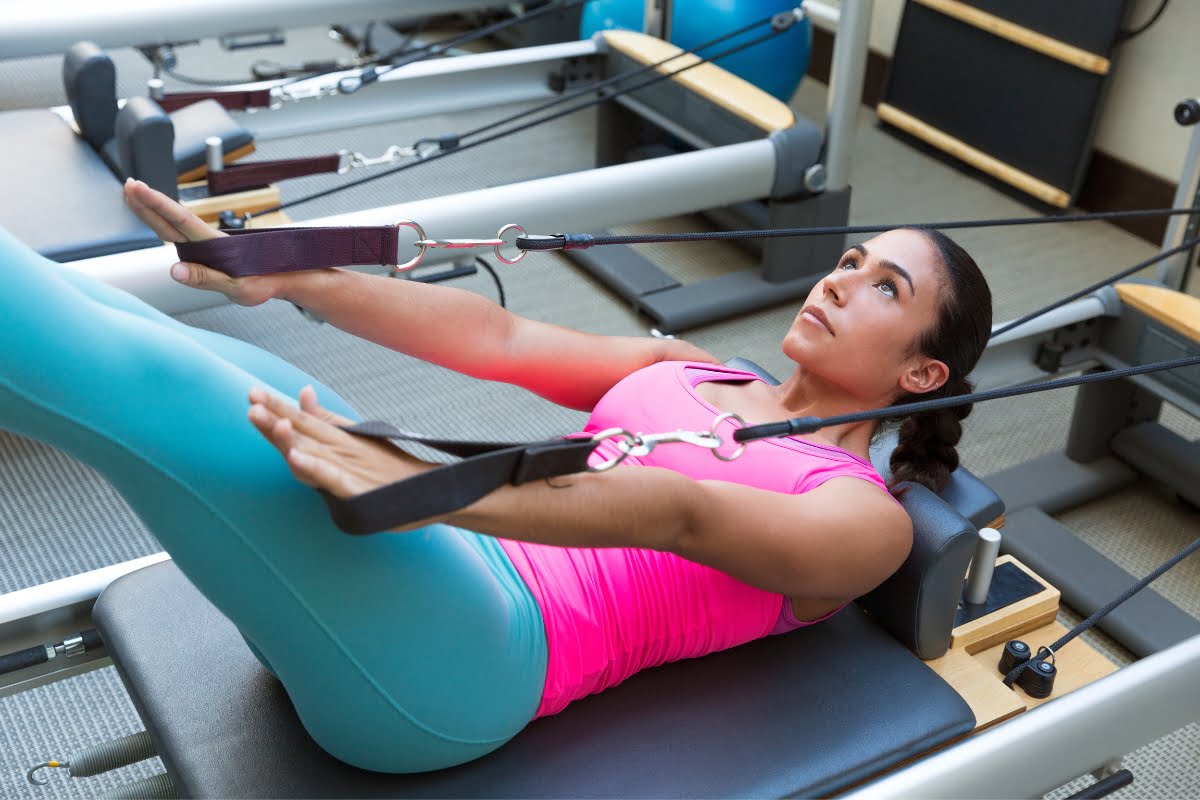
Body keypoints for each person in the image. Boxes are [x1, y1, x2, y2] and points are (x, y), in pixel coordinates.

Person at [0, 179, 991, 774]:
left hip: (477, 664)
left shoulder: (865, 516)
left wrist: (431, 480)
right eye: (853, 259)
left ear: (922, 373)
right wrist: (292, 274)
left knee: (168, 386)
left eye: (883, 288)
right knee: (180, 348)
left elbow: (682, 511)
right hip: (440, 558)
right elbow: (501, 335)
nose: (839, 280)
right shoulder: (693, 367)